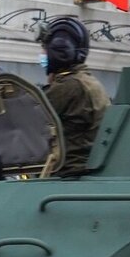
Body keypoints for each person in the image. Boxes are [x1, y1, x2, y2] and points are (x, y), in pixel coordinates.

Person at [39, 16, 110, 178]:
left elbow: (28, 122)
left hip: (67, 172)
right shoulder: (87, 81)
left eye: (45, 49)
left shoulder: (69, 86)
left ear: (59, 52)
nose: (42, 54)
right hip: (83, 171)